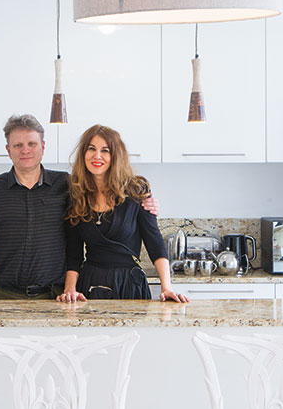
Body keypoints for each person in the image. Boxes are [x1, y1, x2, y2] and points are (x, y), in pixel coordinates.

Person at [0, 113, 160, 303]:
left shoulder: (68, 186)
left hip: (56, 297)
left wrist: (144, 202)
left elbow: (105, 198)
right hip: (4, 295)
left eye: (32, 144)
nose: (25, 150)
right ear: (8, 150)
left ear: (42, 147)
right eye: (18, 145)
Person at [57, 124, 188, 304]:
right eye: (91, 149)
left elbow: (154, 241)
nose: (97, 156)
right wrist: (70, 289)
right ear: (83, 155)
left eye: (105, 150)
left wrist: (167, 288)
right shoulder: (76, 195)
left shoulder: (136, 190)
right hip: (90, 286)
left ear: (115, 156)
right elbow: (74, 253)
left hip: (129, 284)